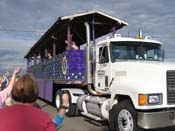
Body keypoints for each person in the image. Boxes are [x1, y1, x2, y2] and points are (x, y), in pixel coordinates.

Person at [0, 73, 68, 131]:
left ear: (15, 90)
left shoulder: (1, 114)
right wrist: (64, 104)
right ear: (35, 92)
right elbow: (56, 122)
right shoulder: (44, 118)